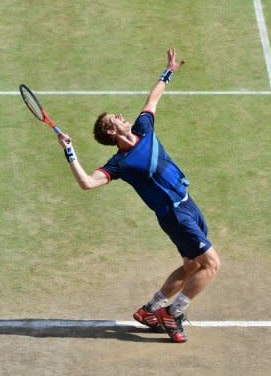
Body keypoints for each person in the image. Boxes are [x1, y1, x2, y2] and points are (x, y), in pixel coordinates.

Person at [58, 48, 220, 343]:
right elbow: (87, 183)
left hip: (187, 202)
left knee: (191, 266)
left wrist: (168, 71)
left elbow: (153, 98)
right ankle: (174, 312)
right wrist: (69, 151)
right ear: (111, 131)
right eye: (114, 118)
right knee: (211, 264)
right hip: (174, 214)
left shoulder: (144, 127)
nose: (121, 115)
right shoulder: (119, 163)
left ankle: (151, 310)